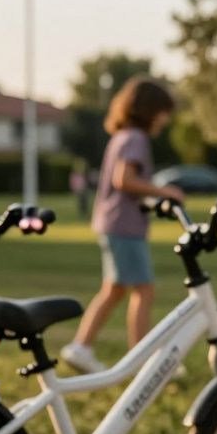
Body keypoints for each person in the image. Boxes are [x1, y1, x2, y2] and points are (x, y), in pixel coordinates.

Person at [59, 77, 185, 374]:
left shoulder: (121, 136)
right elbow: (124, 180)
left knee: (115, 290)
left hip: (112, 223)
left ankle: (81, 347)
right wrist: (166, 191)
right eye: (164, 112)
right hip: (123, 226)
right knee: (144, 290)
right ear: (149, 110)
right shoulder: (136, 139)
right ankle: (141, 359)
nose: (165, 120)